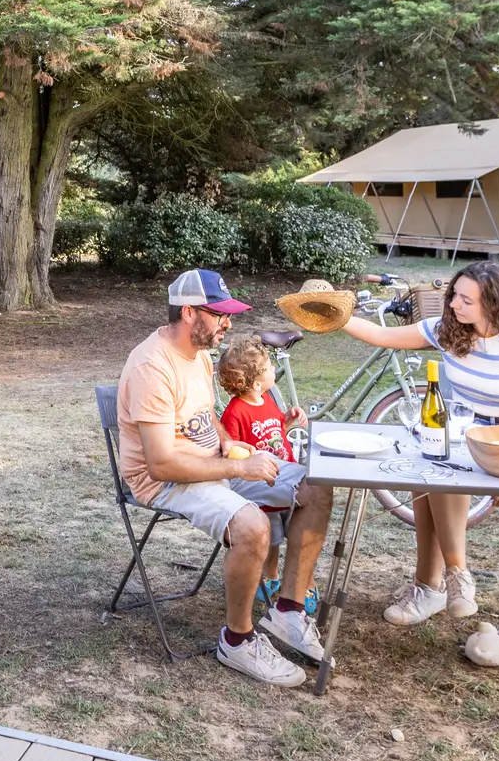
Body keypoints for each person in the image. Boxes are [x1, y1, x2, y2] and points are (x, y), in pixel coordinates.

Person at [116, 269, 335, 686]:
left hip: (211, 464)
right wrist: (237, 467)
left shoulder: (198, 353)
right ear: (188, 312)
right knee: (252, 526)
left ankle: (287, 612)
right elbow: (160, 464)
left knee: (317, 483)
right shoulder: (152, 366)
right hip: (166, 480)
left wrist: (234, 444)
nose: (227, 323)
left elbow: (204, 416)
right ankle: (237, 640)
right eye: (219, 314)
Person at [335, 260, 499, 625]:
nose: (453, 305)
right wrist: (332, 318)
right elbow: (382, 337)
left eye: (466, 300)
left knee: (436, 472)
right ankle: (447, 580)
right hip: (457, 440)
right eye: (455, 295)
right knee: (433, 471)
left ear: (496, 304)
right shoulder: (450, 331)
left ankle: (436, 584)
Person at [215, 336, 315, 609]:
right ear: (257, 382)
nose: (275, 370)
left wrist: (288, 418)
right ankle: (269, 576)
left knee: (291, 526)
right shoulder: (235, 412)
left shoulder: (267, 399)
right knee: (272, 538)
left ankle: (295, 578)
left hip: (285, 475)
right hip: (262, 486)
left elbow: (273, 427)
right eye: (270, 366)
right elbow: (232, 449)